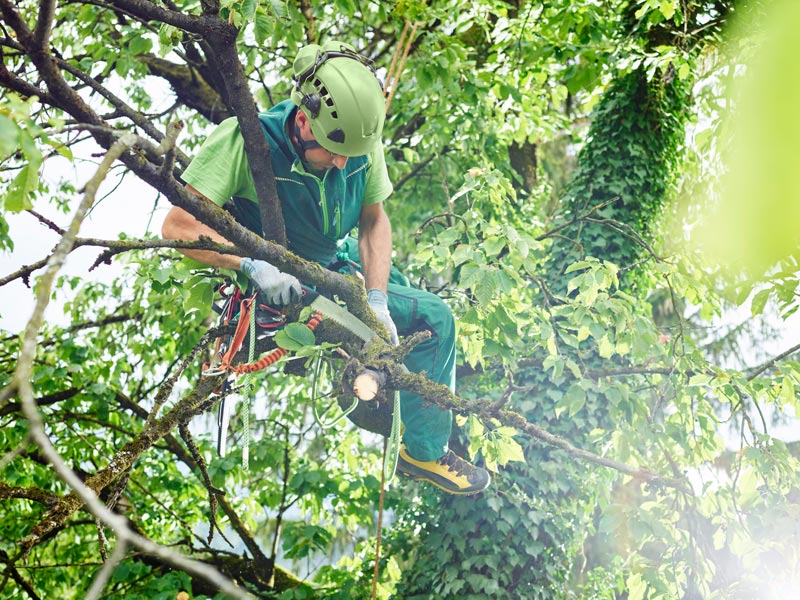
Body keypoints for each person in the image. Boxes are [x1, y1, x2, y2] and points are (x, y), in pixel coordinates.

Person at [161, 40, 490, 495]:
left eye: (349, 156)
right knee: (434, 317)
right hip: (282, 287)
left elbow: (374, 221)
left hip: (338, 269)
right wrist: (250, 264)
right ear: (302, 120)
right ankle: (425, 454)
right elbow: (179, 225)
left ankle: (415, 428)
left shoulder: (357, 142)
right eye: (332, 152)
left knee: (419, 316)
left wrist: (377, 298)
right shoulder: (246, 140)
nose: (341, 163)